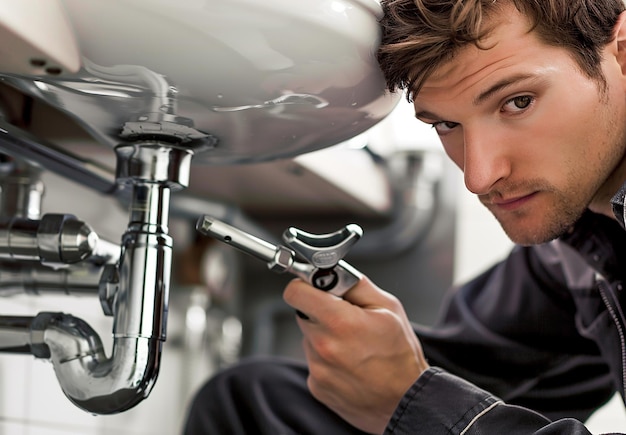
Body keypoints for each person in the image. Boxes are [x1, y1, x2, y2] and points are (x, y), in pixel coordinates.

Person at [183, 0, 626, 433]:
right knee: (250, 400)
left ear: (621, 50)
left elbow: (426, 398)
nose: (479, 176)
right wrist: (375, 357)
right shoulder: (575, 246)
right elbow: (467, 369)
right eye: (447, 125)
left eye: (519, 102)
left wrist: (417, 405)